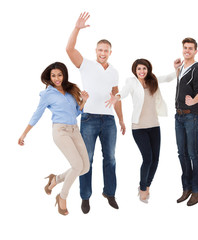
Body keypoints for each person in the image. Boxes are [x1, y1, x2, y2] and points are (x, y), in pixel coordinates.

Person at [66, 12, 125, 213]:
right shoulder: (86, 65)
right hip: (89, 119)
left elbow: (116, 98)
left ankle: (110, 192)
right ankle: (85, 196)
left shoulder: (114, 71)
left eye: (106, 50)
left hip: (109, 121)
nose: (102, 52)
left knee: (110, 158)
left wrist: (122, 120)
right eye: (100, 49)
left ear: (110, 52)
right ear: (96, 50)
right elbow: (69, 49)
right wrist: (77, 28)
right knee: (87, 159)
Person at [18, 62, 90, 216]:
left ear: (64, 75)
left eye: (59, 75)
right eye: (53, 75)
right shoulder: (47, 94)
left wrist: (83, 101)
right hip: (60, 131)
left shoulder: (70, 91)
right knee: (77, 166)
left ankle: (55, 180)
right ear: (49, 77)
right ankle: (62, 197)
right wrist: (24, 133)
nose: (57, 78)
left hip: (74, 130)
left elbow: (75, 113)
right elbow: (37, 114)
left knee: (85, 168)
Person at [106, 59, 177, 203]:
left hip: (154, 125)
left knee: (156, 159)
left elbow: (168, 79)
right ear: (135, 70)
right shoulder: (131, 81)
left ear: (148, 69)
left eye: (144, 68)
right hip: (139, 127)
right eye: (139, 69)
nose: (142, 71)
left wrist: (176, 69)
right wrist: (116, 97)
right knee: (148, 158)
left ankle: (147, 185)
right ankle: (143, 187)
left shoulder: (153, 80)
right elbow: (124, 92)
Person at [174, 37, 198, 206]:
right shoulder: (182, 67)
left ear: (196, 51)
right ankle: (187, 187)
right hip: (179, 116)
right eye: (185, 48)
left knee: (193, 152)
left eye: (190, 48)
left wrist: (193, 101)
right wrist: (176, 70)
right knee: (182, 153)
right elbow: (182, 86)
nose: (187, 50)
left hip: (191, 116)